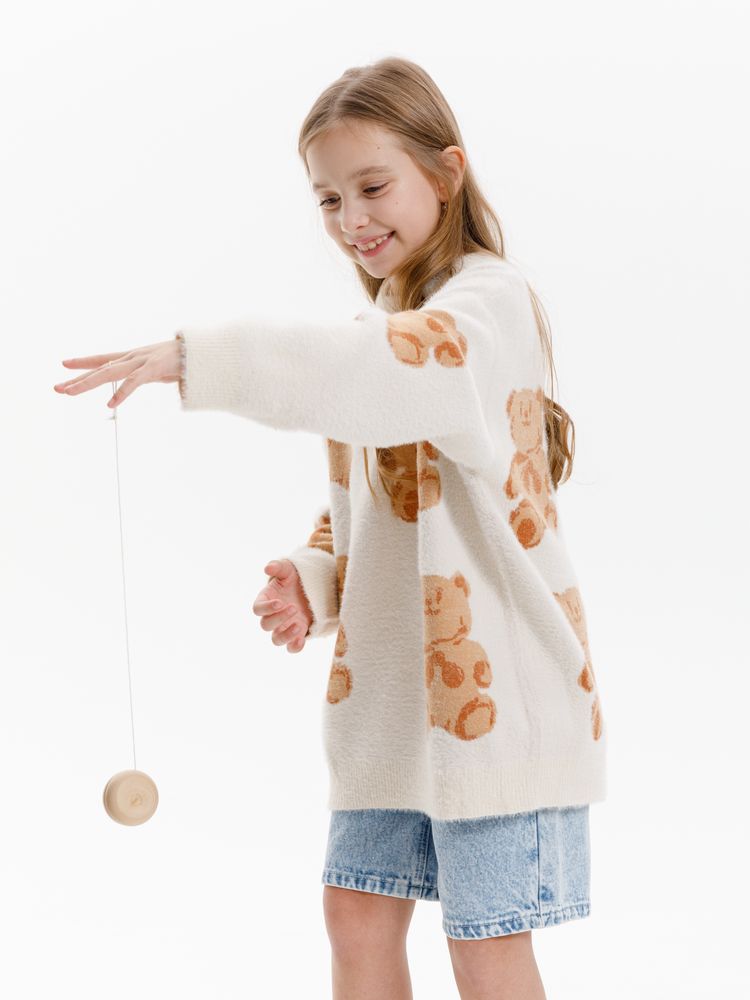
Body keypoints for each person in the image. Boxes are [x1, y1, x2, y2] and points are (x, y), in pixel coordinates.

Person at [53, 56, 606, 1000]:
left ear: (448, 171)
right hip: (394, 711)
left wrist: (198, 359)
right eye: (328, 199)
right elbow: (378, 506)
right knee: (354, 915)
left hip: (498, 713)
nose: (352, 219)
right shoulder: (389, 323)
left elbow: (381, 371)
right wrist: (316, 576)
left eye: (373, 187)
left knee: (484, 946)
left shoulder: (484, 307)